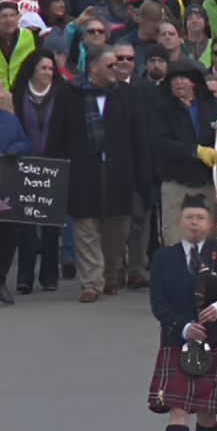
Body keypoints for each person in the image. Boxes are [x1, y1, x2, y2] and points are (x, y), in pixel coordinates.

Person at [46, 44, 151, 302]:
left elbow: (139, 136)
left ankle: (110, 274)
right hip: (84, 169)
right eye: (111, 64)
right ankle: (91, 283)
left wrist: (143, 175)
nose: (118, 68)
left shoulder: (127, 93)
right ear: (93, 67)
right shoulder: (70, 92)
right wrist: (54, 169)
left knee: (116, 229)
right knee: (86, 225)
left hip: (119, 171)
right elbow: (57, 134)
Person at [147, 194, 217, 430]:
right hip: (177, 339)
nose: (193, 222)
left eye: (200, 217)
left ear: (211, 224)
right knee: (179, 409)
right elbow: (158, 303)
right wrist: (185, 328)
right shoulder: (163, 257)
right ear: (180, 221)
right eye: (188, 217)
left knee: (208, 414)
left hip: (214, 338)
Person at [153, 61, 217, 246]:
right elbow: (160, 143)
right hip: (176, 184)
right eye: (174, 79)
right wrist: (194, 151)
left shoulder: (213, 104)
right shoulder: (161, 108)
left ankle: (204, 276)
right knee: (174, 240)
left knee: (209, 240)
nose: (179, 83)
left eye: (184, 79)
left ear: (194, 82)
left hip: (207, 183)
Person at [10, 51, 65, 294]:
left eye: (51, 69)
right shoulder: (18, 93)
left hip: (54, 165)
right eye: (43, 68)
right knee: (25, 224)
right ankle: (24, 276)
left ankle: (50, 275)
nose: (48, 73)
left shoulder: (62, 94)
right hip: (23, 164)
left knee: (52, 224)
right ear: (33, 69)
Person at [0, 82, 32, 303]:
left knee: (8, 236)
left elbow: (26, 142)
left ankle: (0, 280)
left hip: (5, 188)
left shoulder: (9, 119)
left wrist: (16, 150)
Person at [0, 1, 38, 91]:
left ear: (18, 18)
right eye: (3, 16)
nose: (8, 20)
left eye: (12, 16)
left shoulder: (30, 36)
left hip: (23, 90)